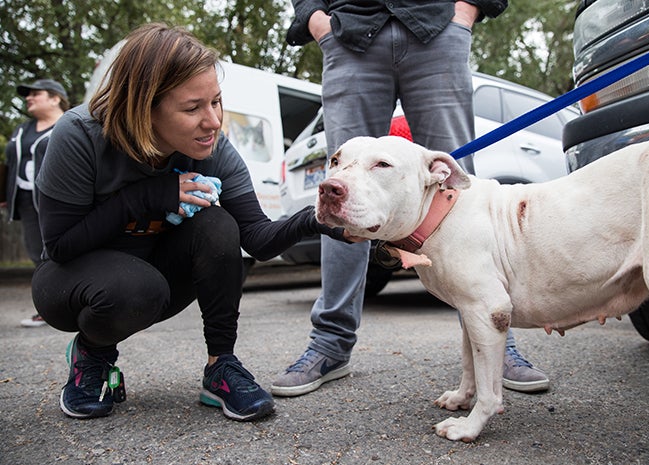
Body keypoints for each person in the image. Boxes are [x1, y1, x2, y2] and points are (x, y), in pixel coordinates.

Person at [31, 23, 351, 421]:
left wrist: (318, 219)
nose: (213, 120)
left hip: (156, 274)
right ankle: (92, 353)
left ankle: (222, 366)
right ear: (143, 106)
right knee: (135, 288)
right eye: (192, 108)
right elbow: (60, 245)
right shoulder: (80, 134)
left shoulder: (213, 146)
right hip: (72, 281)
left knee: (219, 226)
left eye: (216, 102)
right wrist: (148, 196)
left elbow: (257, 238)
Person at [271, 0, 550, 397]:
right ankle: (330, 343)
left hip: (438, 27)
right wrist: (319, 23)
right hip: (348, 33)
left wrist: (467, 11)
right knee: (344, 196)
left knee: (457, 192)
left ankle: (496, 341)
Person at [2, 79, 69, 327]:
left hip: (60, 200)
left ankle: (68, 304)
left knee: (61, 251)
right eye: (28, 95)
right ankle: (48, 308)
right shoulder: (22, 130)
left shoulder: (70, 125)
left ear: (55, 98)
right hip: (26, 200)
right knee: (36, 253)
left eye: (36, 94)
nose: (29, 98)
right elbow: (11, 165)